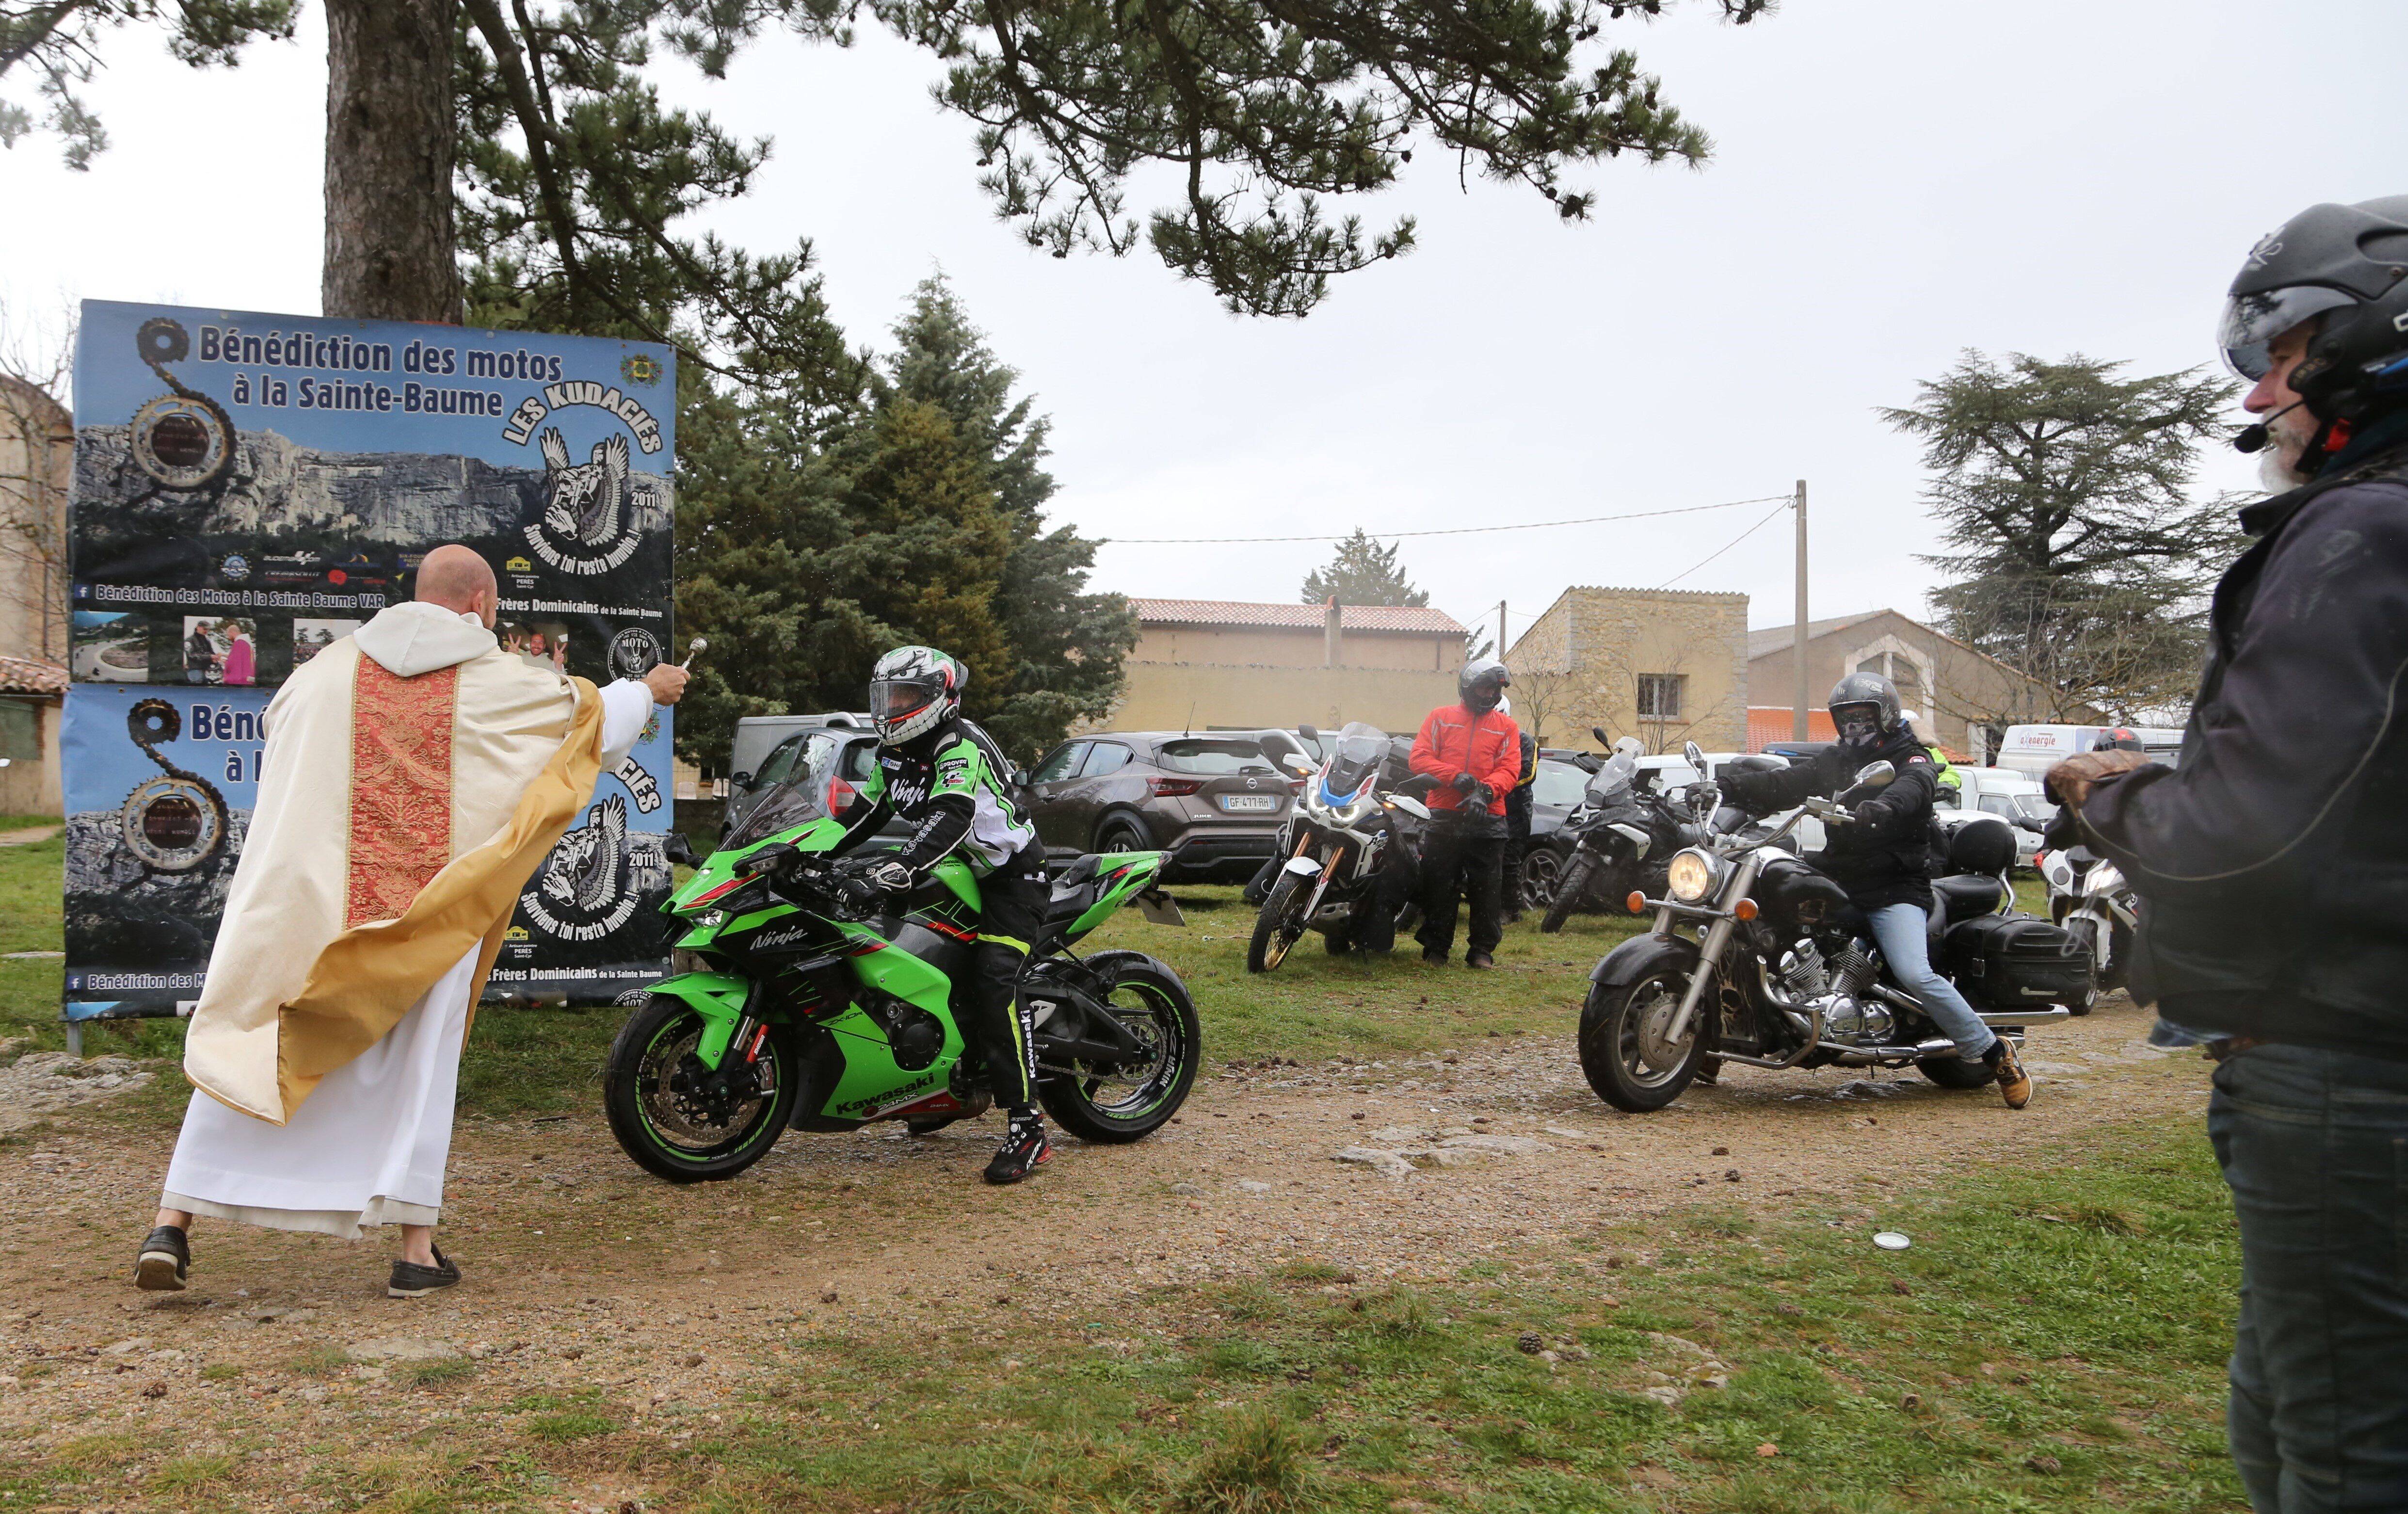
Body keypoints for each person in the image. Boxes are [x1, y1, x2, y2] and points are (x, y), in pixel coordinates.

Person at [2045, 195, 2408, 1513]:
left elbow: (2240, 831)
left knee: (2340, 1457)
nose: (2260, 394)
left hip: (2340, 1065)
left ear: (2372, 346)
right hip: (2361, 1043)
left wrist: (2113, 792)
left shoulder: (2358, 537)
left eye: (2284, 354)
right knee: (2286, 1422)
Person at [134, 546, 685, 1297]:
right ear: (482, 601)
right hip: (429, 912)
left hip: (314, 900)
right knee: (418, 1068)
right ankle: (414, 1254)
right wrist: (650, 689)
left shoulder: (321, 672)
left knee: (264, 1036)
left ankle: (172, 1222)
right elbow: (583, 718)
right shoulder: (496, 680)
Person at [1717, 672, 2031, 1109]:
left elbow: (1913, 789)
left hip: (1894, 885)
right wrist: (1724, 786)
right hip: (1840, 877)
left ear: (1885, 715)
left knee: (1914, 972)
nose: (1855, 727)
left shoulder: (1911, 756)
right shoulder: (1836, 761)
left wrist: (1882, 807)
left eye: (1864, 717)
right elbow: (1785, 784)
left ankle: (1997, 1054)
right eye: (1846, 718)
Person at [826, 645, 1056, 1185]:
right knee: (915, 960)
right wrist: (807, 852)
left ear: (939, 696)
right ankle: (939, 1084)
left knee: (995, 979)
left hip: (1011, 877)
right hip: (955, 871)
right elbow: (866, 813)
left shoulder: (959, 744)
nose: (893, 706)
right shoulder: (892, 751)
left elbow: (952, 811)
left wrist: (902, 866)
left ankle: (1028, 1128)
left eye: (905, 695)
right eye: (888, 695)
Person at [1409, 656, 1521, 969]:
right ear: (1468, 687)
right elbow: (1419, 758)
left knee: (1487, 890)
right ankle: (1436, 948)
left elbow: (1511, 769)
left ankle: (1482, 951)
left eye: (1495, 690)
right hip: (1445, 814)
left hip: (1489, 818)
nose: (1489, 695)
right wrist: (1454, 777)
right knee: (1439, 886)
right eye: (1484, 688)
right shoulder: (1440, 717)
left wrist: (1484, 792)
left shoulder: (1507, 727)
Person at [1500, 724, 1539, 925]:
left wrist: (1496, 785)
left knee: (1508, 860)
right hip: (1493, 805)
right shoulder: (1487, 735)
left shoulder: (1525, 740)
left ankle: (1510, 909)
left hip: (1517, 809)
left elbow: (1528, 773)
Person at [220, 620, 255, 687]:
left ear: (232, 632)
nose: (228, 637)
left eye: (228, 635)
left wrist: (224, 662)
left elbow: (232, 662)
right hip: (248, 678)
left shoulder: (239, 643)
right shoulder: (247, 643)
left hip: (240, 681)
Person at [183, 620, 217, 685]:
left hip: (207, 671)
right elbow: (191, 656)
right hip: (195, 671)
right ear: (198, 627)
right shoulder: (189, 641)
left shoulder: (207, 641)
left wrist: (215, 658)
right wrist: (209, 657)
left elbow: (211, 653)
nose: (206, 631)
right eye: (205, 629)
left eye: (208, 629)